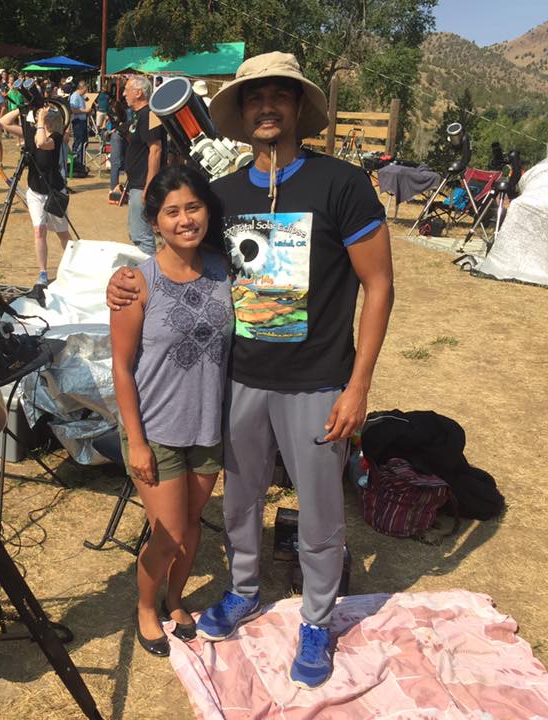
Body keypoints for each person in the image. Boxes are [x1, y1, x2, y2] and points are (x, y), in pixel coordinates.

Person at [108, 52, 394, 688]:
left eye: (280, 96)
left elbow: (379, 285)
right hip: (238, 382)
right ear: (241, 112)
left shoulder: (341, 185)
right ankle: (242, 590)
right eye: (255, 97)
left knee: (319, 512)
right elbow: (180, 256)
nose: (268, 106)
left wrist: (360, 383)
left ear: (298, 108)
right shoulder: (226, 195)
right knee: (240, 504)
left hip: (318, 382)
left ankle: (318, 620)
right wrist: (126, 283)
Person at [111, 164, 233, 658]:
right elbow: (121, 368)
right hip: (156, 429)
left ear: (207, 211)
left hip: (207, 426)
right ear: (155, 221)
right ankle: (146, 607)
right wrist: (135, 441)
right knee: (169, 533)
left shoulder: (227, 269)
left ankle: (176, 598)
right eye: (172, 211)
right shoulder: (137, 283)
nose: (185, 219)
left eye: (193, 207)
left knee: (194, 524)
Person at [0, 103, 71, 287]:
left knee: (62, 233)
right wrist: (23, 108)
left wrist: (39, 120)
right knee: (39, 231)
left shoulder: (57, 136)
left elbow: (41, 143)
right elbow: (4, 122)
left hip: (54, 192)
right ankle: (43, 272)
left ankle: (72, 266)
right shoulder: (32, 133)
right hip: (36, 192)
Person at [123, 74, 166, 254]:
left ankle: (148, 277)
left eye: (127, 90)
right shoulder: (140, 115)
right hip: (137, 183)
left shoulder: (149, 114)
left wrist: (149, 185)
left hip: (143, 184)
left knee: (142, 236)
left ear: (139, 93)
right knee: (138, 233)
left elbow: (155, 149)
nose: (124, 94)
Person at [69, 80, 93, 171]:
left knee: (84, 142)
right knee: (78, 143)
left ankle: (81, 162)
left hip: (83, 121)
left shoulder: (81, 97)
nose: (86, 90)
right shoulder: (75, 96)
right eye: (86, 88)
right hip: (78, 122)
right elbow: (73, 110)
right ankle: (76, 163)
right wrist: (85, 111)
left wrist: (88, 112)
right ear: (82, 88)